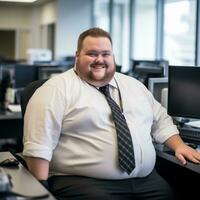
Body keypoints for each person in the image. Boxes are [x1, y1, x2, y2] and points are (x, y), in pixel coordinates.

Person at [23, 27, 200, 200]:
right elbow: (39, 145)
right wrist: (41, 190)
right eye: (92, 54)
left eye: (105, 54)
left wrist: (179, 146)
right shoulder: (55, 90)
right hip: (83, 182)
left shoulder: (134, 86)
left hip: (145, 180)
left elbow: (160, 121)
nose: (99, 59)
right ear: (77, 56)